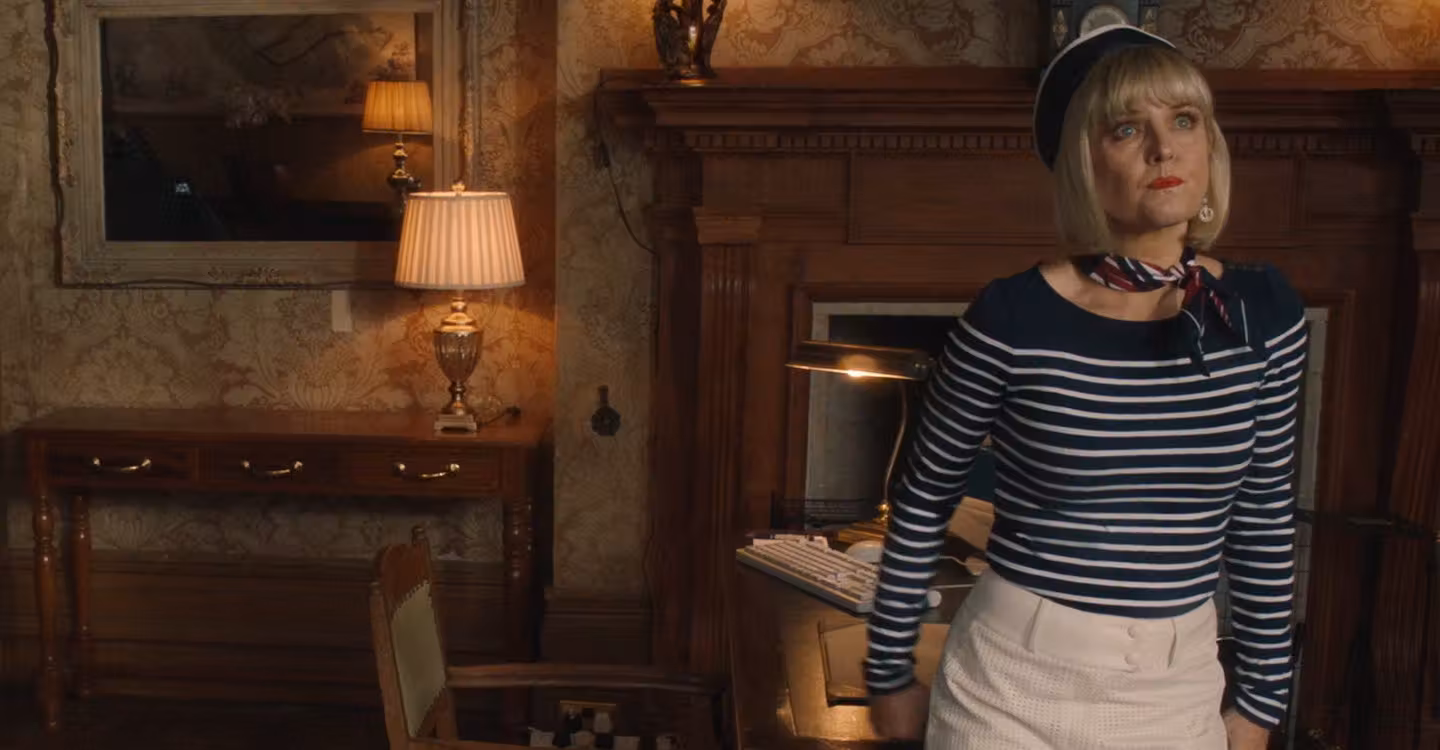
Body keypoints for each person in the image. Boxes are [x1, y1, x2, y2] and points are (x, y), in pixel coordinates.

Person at [864, 25, 1305, 750]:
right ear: (1082, 164)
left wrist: (1260, 700)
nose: (1164, 149)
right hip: (1007, 688)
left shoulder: (1265, 313)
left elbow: (1262, 514)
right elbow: (924, 495)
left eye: (1183, 120)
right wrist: (888, 670)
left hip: (1176, 691)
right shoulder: (1011, 316)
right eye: (1127, 129)